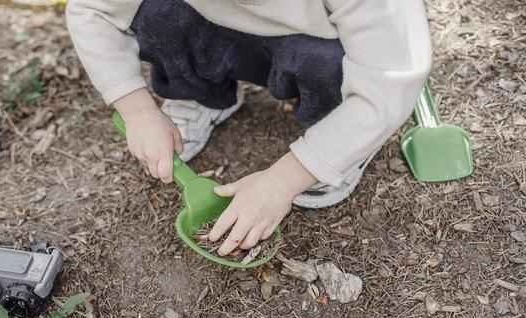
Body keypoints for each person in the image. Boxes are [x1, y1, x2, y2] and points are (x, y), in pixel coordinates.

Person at [66, 0, 432, 255]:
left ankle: (333, 134)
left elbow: (387, 81)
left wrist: (284, 180)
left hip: (315, 39)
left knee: (328, 68)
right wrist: (137, 110)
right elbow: (92, 9)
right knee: (159, 12)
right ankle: (200, 91)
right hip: (212, 25)